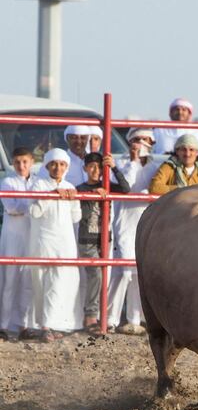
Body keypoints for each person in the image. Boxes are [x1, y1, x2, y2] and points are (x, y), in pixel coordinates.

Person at [108, 129, 159, 335]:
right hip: (124, 222)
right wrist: (133, 161)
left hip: (145, 221)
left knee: (139, 272)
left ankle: (135, 319)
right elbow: (126, 186)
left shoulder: (155, 168)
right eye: (136, 140)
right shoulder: (120, 164)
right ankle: (111, 318)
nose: (140, 143)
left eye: (145, 140)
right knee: (122, 272)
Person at [28, 148, 83, 341]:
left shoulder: (70, 185)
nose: (57, 168)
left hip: (65, 242)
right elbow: (34, 212)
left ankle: (56, 324)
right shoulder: (38, 185)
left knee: (61, 283)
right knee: (43, 283)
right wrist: (52, 194)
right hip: (44, 242)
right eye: (54, 164)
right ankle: (44, 325)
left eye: (61, 164)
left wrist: (73, 197)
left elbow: (76, 216)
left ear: (66, 167)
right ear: (47, 166)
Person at [76, 152, 131, 332]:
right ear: (85, 168)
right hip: (87, 239)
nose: (95, 170)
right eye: (91, 166)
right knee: (96, 275)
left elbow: (125, 189)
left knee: (103, 278)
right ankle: (90, 316)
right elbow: (80, 203)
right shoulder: (80, 188)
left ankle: (99, 316)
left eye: (99, 167)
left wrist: (114, 167)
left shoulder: (105, 185)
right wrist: (93, 194)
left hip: (105, 238)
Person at [0, 148, 36, 340]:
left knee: (27, 282)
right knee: (9, 281)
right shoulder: (7, 181)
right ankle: (3, 324)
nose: (21, 166)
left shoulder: (37, 181)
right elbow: (12, 207)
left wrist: (27, 205)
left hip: (31, 236)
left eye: (25, 162)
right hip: (12, 237)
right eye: (17, 162)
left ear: (31, 161)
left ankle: (24, 324)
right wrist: (33, 204)